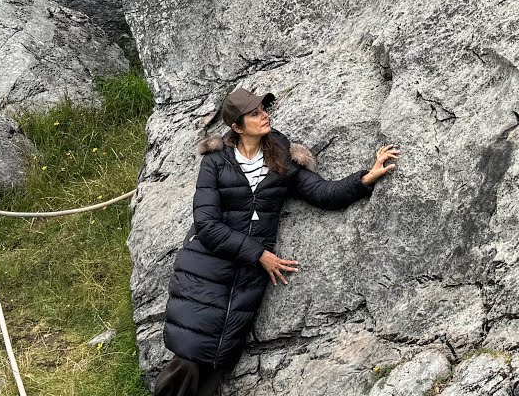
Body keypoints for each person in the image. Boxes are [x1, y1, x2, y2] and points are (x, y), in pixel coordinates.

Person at [154, 88, 399, 396]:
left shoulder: (281, 159)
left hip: (245, 278)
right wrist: (261, 255)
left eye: (264, 109)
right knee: (189, 356)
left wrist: (366, 177)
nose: (264, 115)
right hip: (205, 268)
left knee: (217, 361)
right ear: (237, 127)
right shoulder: (215, 163)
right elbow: (206, 226)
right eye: (254, 113)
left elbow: (324, 194)